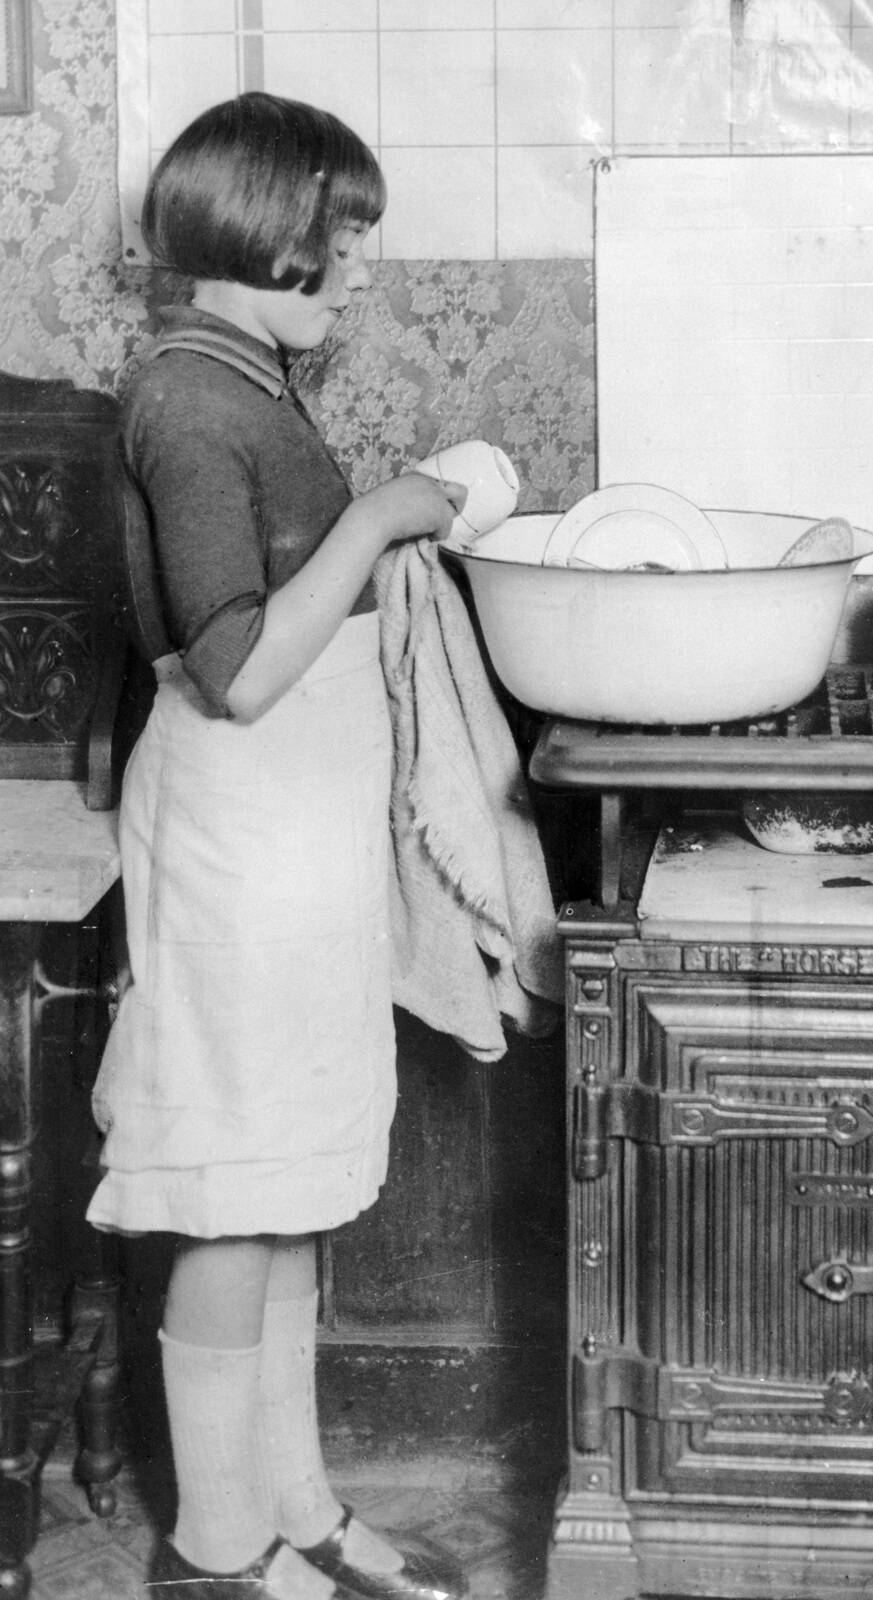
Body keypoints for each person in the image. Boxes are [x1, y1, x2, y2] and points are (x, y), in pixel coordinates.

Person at [87, 92, 469, 1600]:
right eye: (344, 240)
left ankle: (298, 1505)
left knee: (293, 1176)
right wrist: (379, 518)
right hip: (238, 829)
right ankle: (212, 1548)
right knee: (234, 1188)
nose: (362, 271)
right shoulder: (185, 398)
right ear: (267, 234)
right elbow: (238, 669)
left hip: (296, 831)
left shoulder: (246, 375)